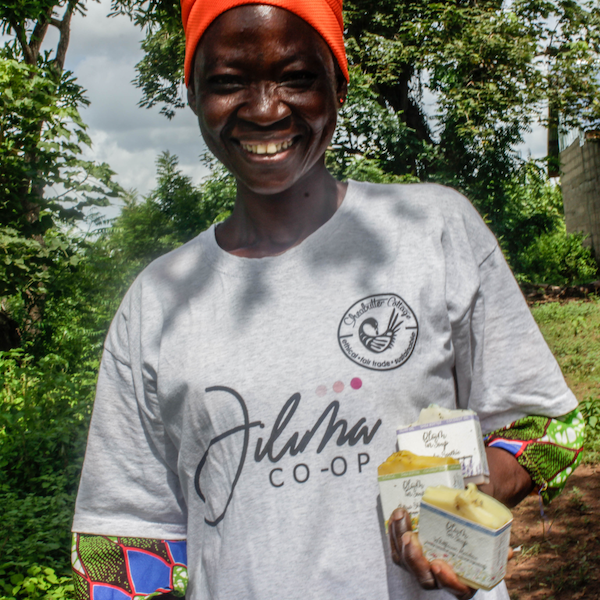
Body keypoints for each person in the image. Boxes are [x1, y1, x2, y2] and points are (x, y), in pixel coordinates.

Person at [71, 1, 584, 599]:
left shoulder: (433, 229)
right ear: (193, 94)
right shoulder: (158, 302)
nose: (265, 109)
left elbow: (549, 428)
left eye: (296, 77)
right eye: (228, 82)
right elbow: (124, 544)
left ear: (338, 85)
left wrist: (460, 502)